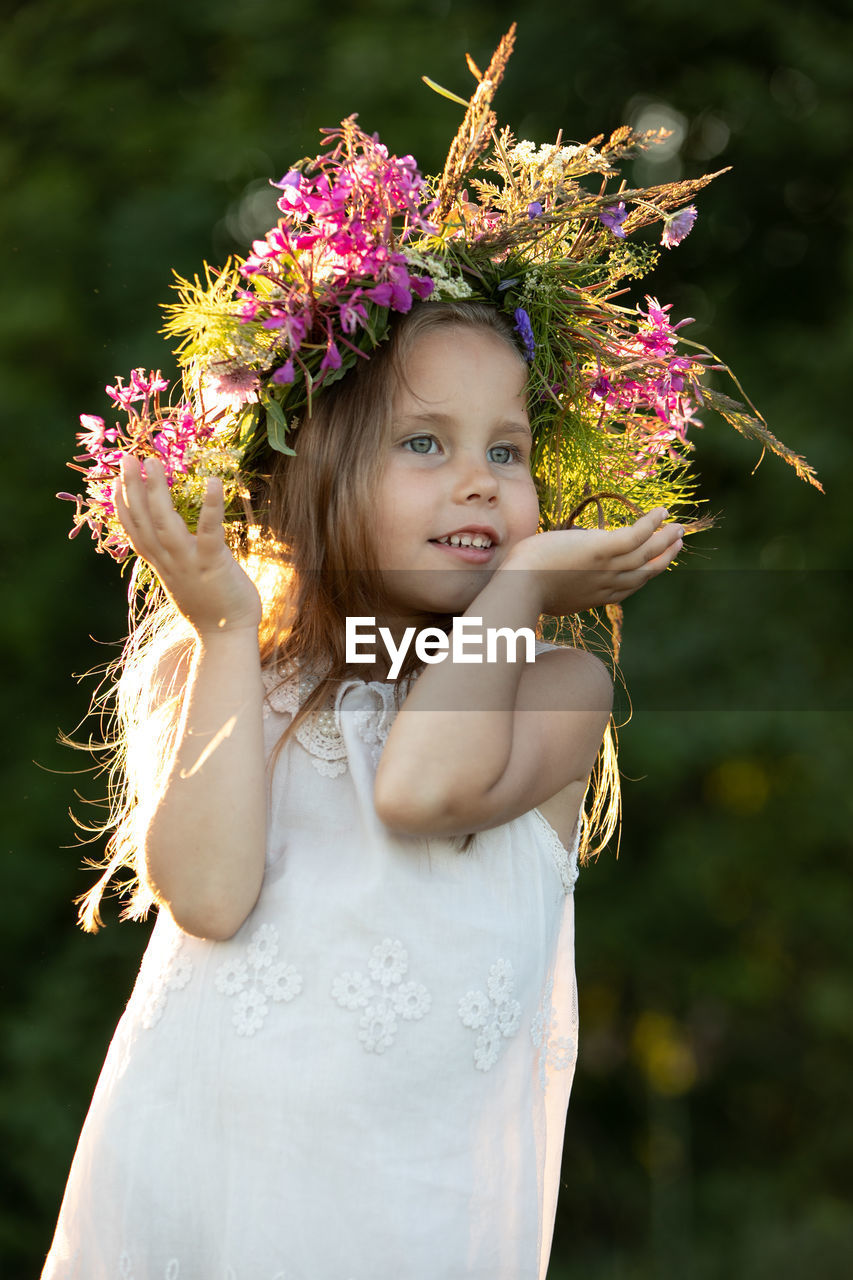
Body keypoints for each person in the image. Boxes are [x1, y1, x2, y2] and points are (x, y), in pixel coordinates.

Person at [46, 28, 816, 1280]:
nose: (478, 479)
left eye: (506, 450)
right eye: (424, 444)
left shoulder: (554, 690)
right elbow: (209, 896)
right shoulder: (222, 663)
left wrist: (519, 585)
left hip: (402, 1228)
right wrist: (231, 629)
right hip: (192, 1200)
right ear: (310, 473)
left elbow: (416, 787)